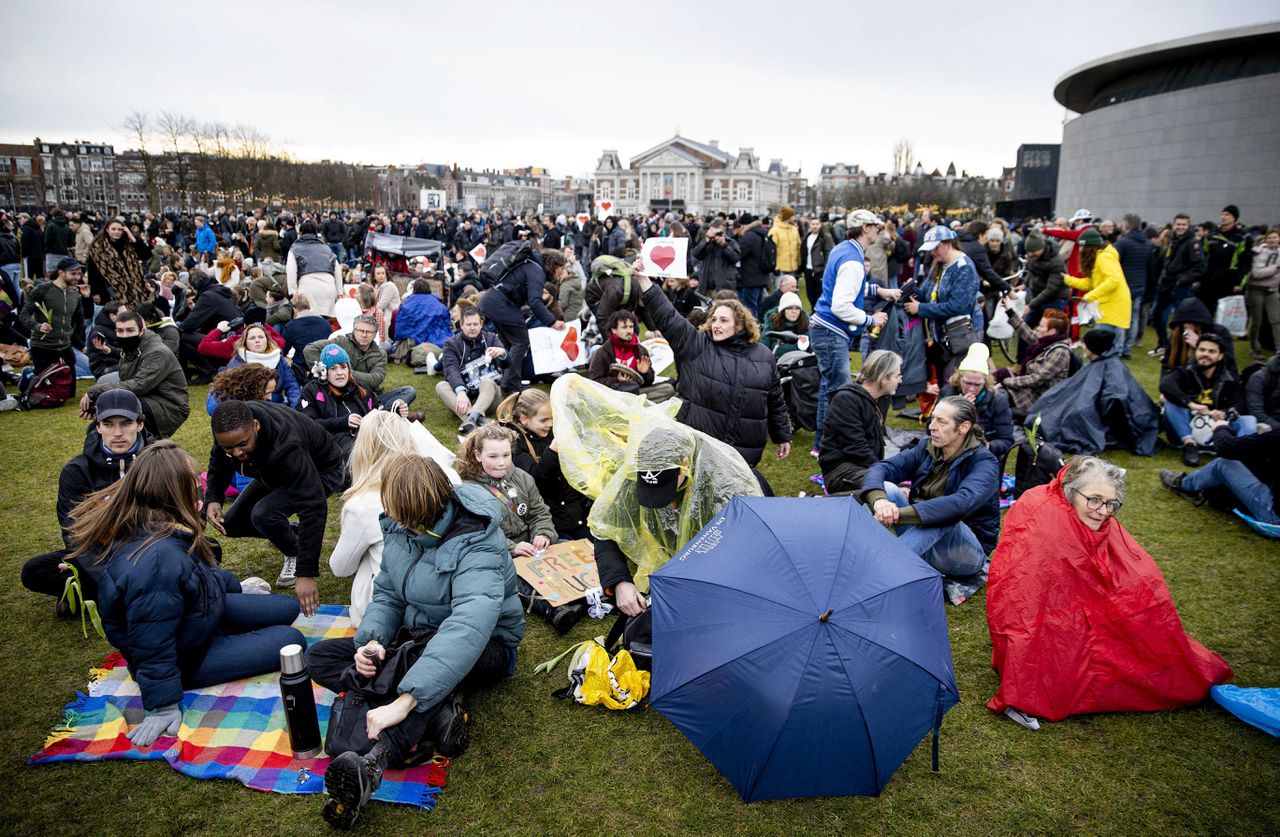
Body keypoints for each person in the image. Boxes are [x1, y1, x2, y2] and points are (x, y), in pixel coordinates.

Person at [305, 453, 523, 829]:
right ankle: (437, 710)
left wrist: (405, 702)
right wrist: (372, 643)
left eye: (405, 519)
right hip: (416, 638)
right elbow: (388, 594)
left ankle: (375, 762)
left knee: (414, 666)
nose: (398, 525)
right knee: (321, 657)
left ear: (425, 510)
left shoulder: (479, 542)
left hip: (489, 645)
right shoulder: (398, 528)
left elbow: (467, 628)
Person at [71, 440, 305, 747]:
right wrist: (162, 704)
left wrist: (238, 587)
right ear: (173, 490)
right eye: (194, 482)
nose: (200, 487)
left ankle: (229, 629)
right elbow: (151, 638)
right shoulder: (156, 560)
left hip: (198, 617)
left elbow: (201, 577)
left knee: (286, 608)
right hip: (185, 658)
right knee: (292, 642)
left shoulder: (160, 527)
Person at [988, 456, 1233, 727]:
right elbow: (1028, 600)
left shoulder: (1092, 518)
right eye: (1094, 500)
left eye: (1111, 504)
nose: (1103, 511)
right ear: (1071, 493)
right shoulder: (1047, 522)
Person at [634, 261, 791, 471]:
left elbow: (775, 399)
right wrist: (644, 281)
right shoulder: (697, 345)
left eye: (724, 320)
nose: (716, 325)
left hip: (744, 454)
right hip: (701, 450)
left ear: (741, 324)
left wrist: (782, 435)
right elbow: (668, 317)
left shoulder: (763, 356)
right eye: (714, 319)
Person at [204, 400, 346, 611]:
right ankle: (293, 533)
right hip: (271, 472)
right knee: (231, 524)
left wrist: (306, 573)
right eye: (229, 447)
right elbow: (219, 459)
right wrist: (214, 497)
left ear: (256, 426)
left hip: (322, 470)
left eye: (242, 444)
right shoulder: (231, 428)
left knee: (263, 515)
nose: (236, 453)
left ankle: (295, 552)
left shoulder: (286, 447)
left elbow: (312, 505)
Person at [21, 390, 155, 610]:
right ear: (98, 426)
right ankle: (114, 594)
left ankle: (94, 595)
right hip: (101, 554)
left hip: (151, 551)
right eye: (109, 424)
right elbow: (75, 534)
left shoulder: (160, 460)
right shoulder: (77, 471)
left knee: (208, 549)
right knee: (36, 570)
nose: (118, 433)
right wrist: (110, 581)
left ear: (140, 424)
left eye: (126, 423)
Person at [861, 396, 1001, 605]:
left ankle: (879, 574)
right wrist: (880, 501)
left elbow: (959, 505)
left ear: (963, 427)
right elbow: (881, 468)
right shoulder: (927, 448)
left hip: (965, 555)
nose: (932, 427)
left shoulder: (984, 463)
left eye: (941, 422)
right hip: (923, 538)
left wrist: (900, 514)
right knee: (888, 489)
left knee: (943, 516)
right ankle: (861, 556)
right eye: (933, 419)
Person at [811, 210, 900, 451]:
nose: (878, 230)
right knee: (839, 393)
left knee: (829, 388)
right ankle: (830, 445)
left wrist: (878, 291)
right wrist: (871, 319)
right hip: (832, 331)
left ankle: (821, 443)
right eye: (875, 226)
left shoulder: (844, 249)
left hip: (825, 329)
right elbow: (841, 305)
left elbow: (848, 287)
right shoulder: (853, 260)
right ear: (865, 228)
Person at [328, 412, 423, 626]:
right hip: (436, 595)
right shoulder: (434, 483)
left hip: (386, 609)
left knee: (365, 555)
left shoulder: (364, 504)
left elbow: (340, 568)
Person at [496, 388, 592, 541]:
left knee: (593, 546)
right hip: (550, 516)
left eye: (552, 418)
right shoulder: (514, 443)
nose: (550, 424)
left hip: (575, 508)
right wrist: (553, 452)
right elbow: (534, 479)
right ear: (523, 419)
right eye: (543, 420)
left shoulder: (552, 431)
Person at [903, 225, 981, 407]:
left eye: (936, 248)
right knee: (942, 382)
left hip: (959, 338)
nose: (932, 253)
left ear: (948, 244)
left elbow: (957, 306)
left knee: (951, 384)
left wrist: (921, 309)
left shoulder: (964, 267)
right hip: (941, 338)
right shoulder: (939, 265)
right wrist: (910, 290)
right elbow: (927, 292)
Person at [80, 310, 189, 438]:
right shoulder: (132, 348)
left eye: (130, 330)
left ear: (142, 331)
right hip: (147, 398)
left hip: (168, 406)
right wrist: (101, 406)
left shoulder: (157, 352)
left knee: (118, 414)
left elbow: (139, 385)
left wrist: (95, 391)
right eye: (120, 331)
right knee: (99, 428)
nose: (125, 335)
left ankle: (143, 446)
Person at [456, 424, 557, 558]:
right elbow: (478, 533)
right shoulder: (469, 490)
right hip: (498, 554)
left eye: (506, 455)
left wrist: (543, 534)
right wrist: (512, 548)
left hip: (532, 547)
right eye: (493, 457)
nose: (501, 462)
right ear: (478, 455)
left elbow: (539, 513)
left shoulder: (522, 477)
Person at [476, 247, 566, 396]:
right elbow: (535, 301)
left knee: (509, 345)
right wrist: (552, 322)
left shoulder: (530, 264)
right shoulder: (537, 271)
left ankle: (507, 381)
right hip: (501, 305)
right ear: (553, 265)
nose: (561, 273)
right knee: (520, 342)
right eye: (561, 269)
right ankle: (509, 385)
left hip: (492, 302)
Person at [1162, 416, 1280, 527]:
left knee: (1224, 464)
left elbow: (1226, 447)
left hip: (1274, 516)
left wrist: (1220, 428)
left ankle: (1183, 484)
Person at [1159, 332, 1254, 467]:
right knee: (1171, 402)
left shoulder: (1230, 378)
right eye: (1202, 350)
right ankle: (1190, 446)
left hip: (1217, 431)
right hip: (1186, 429)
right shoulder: (1185, 371)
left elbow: (1239, 404)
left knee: (1249, 420)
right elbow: (1166, 385)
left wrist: (1224, 413)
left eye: (1211, 351)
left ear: (1220, 356)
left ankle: (1240, 455)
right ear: (1195, 351)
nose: (1205, 354)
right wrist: (1191, 404)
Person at [299, 343, 409, 458]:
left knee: (399, 445)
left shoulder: (359, 386)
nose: (340, 373)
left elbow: (377, 413)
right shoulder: (313, 390)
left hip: (366, 437)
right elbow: (308, 425)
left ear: (349, 369)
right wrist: (343, 422)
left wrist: (395, 411)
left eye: (343, 367)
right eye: (333, 368)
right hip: (335, 446)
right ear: (325, 372)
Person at [819, 350, 902, 494]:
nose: (900, 380)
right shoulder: (846, 400)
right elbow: (855, 448)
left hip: (864, 465)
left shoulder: (881, 399)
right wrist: (883, 472)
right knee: (889, 489)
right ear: (883, 378)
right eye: (897, 376)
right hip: (841, 471)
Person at [304, 314, 416, 412]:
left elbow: (374, 380)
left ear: (374, 334)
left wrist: (347, 373)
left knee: (408, 391)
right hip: (338, 394)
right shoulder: (341, 342)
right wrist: (326, 371)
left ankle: (383, 414)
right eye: (360, 331)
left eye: (368, 332)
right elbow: (310, 350)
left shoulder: (380, 354)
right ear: (354, 331)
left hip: (367, 397)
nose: (364, 335)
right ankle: (387, 414)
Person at [935, 343, 1015, 463]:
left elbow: (1006, 440)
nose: (972, 389)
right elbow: (930, 428)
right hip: (949, 452)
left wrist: (988, 446)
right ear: (959, 379)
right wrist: (957, 410)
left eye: (977, 385)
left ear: (986, 382)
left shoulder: (997, 400)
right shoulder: (947, 393)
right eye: (967, 383)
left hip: (982, 456)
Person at [993, 307, 1073, 419]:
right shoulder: (1047, 342)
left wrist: (1007, 382)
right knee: (1001, 373)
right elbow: (1028, 334)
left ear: (1051, 332)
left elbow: (1037, 379)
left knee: (998, 394)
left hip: (1036, 398)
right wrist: (1010, 312)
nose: (1037, 329)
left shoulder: (1060, 352)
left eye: (1041, 326)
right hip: (1030, 389)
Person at [1063, 228, 1130, 353]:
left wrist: (1089, 297)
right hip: (1107, 307)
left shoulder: (1104, 257)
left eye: (1082, 247)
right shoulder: (1100, 257)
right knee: (1102, 348)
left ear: (1090, 247)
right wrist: (1067, 279)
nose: (1080, 250)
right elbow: (1091, 283)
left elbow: (1113, 281)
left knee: (1101, 349)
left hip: (1113, 309)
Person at [587, 309, 675, 401]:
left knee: (667, 389)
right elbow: (595, 381)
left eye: (631, 327)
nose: (629, 331)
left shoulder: (641, 350)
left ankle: (635, 404)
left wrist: (645, 373)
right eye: (624, 327)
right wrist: (617, 380)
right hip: (613, 394)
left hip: (636, 392)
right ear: (614, 330)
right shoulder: (603, 352)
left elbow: (649, 382)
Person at [19, 256, 86, 375]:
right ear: (61, 273)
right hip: (42, 347)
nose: (77, 277)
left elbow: (81, 321)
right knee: (44, 390)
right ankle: (28, 376)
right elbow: (24, 314)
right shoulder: (43, 290)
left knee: (69, 392)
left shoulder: (75, 295)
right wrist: (38, 326)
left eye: (79, 274)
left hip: (65, 347)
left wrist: (75, 339)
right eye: (73, 273)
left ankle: (30, 374)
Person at [1151, 214, 1206, 357]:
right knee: (1156, 314)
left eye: (1183, 224)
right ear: (1174, 225)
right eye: (1178, 224)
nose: (1180, 227)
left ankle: (1173, 349)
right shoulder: (1173, 240)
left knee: (1180, 320)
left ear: (1188, 226)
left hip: (1180, 287)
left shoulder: (1192, 243)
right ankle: (1163, 344)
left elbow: (1199, 267)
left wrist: (1182, 280)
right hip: (1166, 284)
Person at [85, 218, 153, 309]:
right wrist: (95, 292)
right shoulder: (98, 248)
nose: (116, 232)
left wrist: (132, 237)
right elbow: (93, 272)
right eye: (113, 229)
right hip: (110, 287)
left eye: (120, 229)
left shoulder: (128, 244)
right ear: (107, 230)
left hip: (134, 286)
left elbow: (146, 255)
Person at [1163, 295, 1237, 376]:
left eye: (1190, 322)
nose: (1186, 325)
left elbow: (1228, 363)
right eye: (1183, 322)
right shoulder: (1178, 334)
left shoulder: (1219, 332)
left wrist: (1199, 345)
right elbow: (1167, 364)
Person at [1114, 214, 1154, 359]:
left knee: (1120, 318)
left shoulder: (1123, 243)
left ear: (1127, 226)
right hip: (1140, 284)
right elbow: (1151, 267)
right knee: (1133, 317)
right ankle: (1127, 349)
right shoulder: (1147, 244)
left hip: (1125, 284)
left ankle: (1119, 348)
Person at [287, 221, 343, 317]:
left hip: (307, 286)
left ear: (300, 233)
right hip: (328, 286)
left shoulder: (295, 248)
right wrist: (339, 292)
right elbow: (337, 269)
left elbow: (291, 271)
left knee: (306, 318)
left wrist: (293, 291)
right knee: (327, 320)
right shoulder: (325, 248)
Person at [1198, 205, 1249, 311]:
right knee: (1204, 312)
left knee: (1225, 316)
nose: (1223, 217)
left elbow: (1245, 262)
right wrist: (1200, 276)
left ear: (1234, 218)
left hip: (1229, 282)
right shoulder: (1211, 236)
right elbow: (1203, 258)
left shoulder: (1241, 238)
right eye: (1222, 214)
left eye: (1227, 214)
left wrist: (1239, 283)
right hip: (1209, 280)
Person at [1020, 231, 1069, 325]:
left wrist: (1030, 306)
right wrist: (1024, 284)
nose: (1030, 254)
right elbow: (1032, 270)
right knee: (1025, 327)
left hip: (1056, 299)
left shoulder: (1056, 262)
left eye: (1033, 252)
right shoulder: (1033, 257)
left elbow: (1051, 289)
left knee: (1051, 329)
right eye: (1028, 251)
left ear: (1042, 248)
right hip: (1039, 297)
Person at [1246, 228, 1280, 360]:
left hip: (1273, 289)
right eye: (1270, 237)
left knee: (1276, 320)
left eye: (1275, 237)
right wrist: (1275, 268)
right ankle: (1254, 348)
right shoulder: (1258, 252)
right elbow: (1256, 273)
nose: (1272, 240)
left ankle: (1279, 350)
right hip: (1256, 289)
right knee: (1257, 321)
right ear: (1266, 239)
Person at [734, 214, 772, 319]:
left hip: (749, 278)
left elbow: (736, 254)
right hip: (762, 276)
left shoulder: (748, 237)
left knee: (749, 309)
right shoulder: (762, 233)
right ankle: (759, 328)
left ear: (742, 225)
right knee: (759, 306)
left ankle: (753, 331)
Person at [690, 219, 740, 293]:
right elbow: (695, 254)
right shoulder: (708, 242)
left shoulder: (731, 243)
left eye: (718, 232)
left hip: (724, 288)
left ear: (724, 232)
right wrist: (705, 241)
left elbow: (735, 258)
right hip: (706, 287)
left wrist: (724, 245)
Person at [760, 291, 810, 358]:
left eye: (797, 308)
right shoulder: (771, 325)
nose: (794, 311)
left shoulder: (806, 325)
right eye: (790, 308)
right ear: (783, 311)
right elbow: (763, 348)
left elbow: (813, 348)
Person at [802, 217, 835, 308]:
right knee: (810, 292)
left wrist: (824, 269)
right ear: (810, 225)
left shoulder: (825, 237)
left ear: (820, 225)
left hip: (819, 270)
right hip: (808, 269)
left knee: (819, 293)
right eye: (813, 224)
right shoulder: (807, 237)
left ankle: (819, 310)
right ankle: (813, 309)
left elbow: (829, 254)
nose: (815, 226)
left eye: (817, 224)